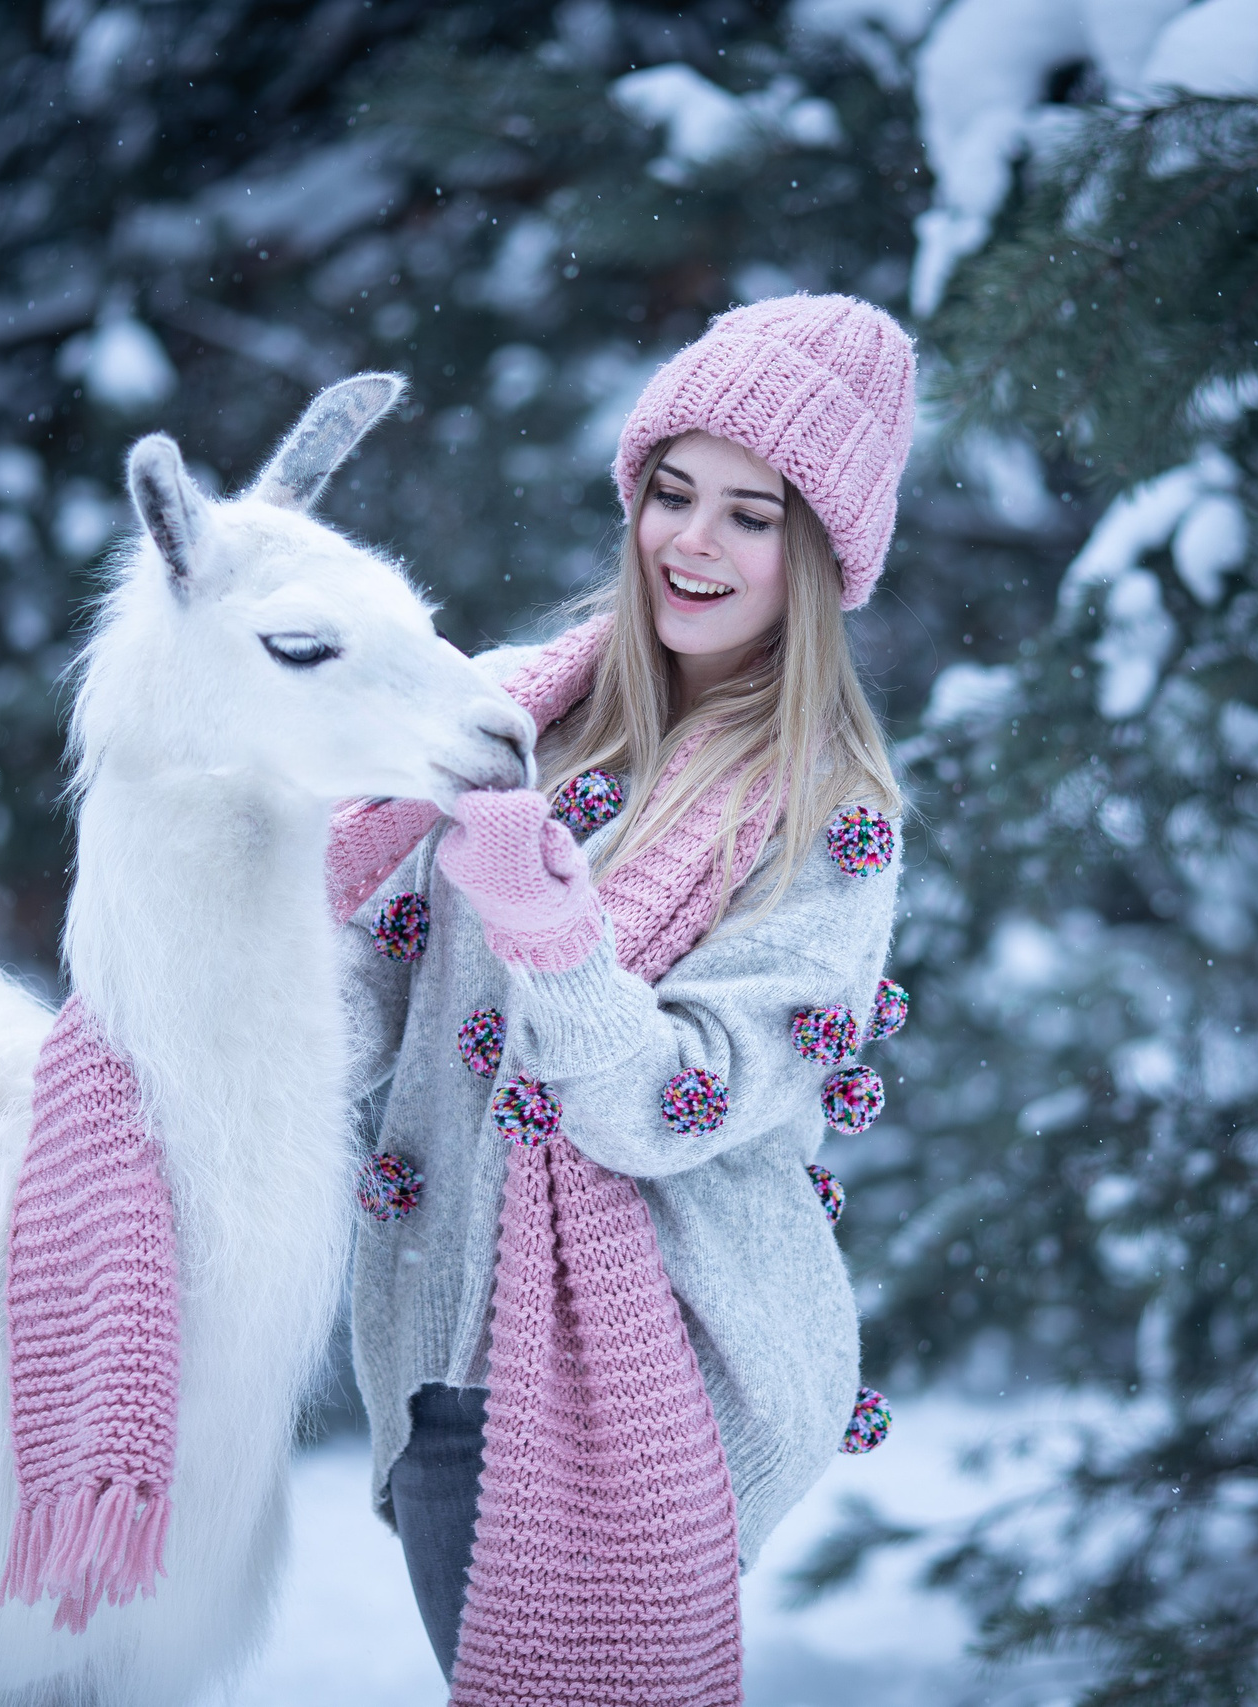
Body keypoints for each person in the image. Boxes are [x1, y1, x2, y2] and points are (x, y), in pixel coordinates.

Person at [330, 293, 916, 1704]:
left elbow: (669, 1101)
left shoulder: (827, 814)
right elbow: (368, 1005)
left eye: (751, 514)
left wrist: (545, 919)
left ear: (822, 555)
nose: (693, 542)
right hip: (430, 1365)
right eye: (672, 493)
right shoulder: (497, 718)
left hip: (651, 1396)